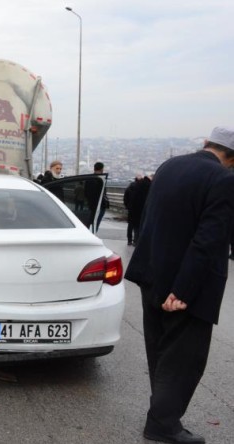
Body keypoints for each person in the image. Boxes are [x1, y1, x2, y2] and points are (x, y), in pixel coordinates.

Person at [124, 126, 234, 444]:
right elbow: (208, 241)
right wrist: (183, 290)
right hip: (187, 288)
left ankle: (161, 414)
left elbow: (151, 219)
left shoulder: (169, 167)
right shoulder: (224, 180)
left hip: (152, 276)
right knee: (185, 358)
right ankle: (163, 425)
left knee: (159, 351)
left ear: (205, 144)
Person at [83, 161, 109, 232]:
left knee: (90, 223)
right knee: (95, 224)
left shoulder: (89, 179)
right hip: (100, 206)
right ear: (101, 169)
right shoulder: (101, 179)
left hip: (91, 205)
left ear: (94, 168)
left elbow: (86, 193)